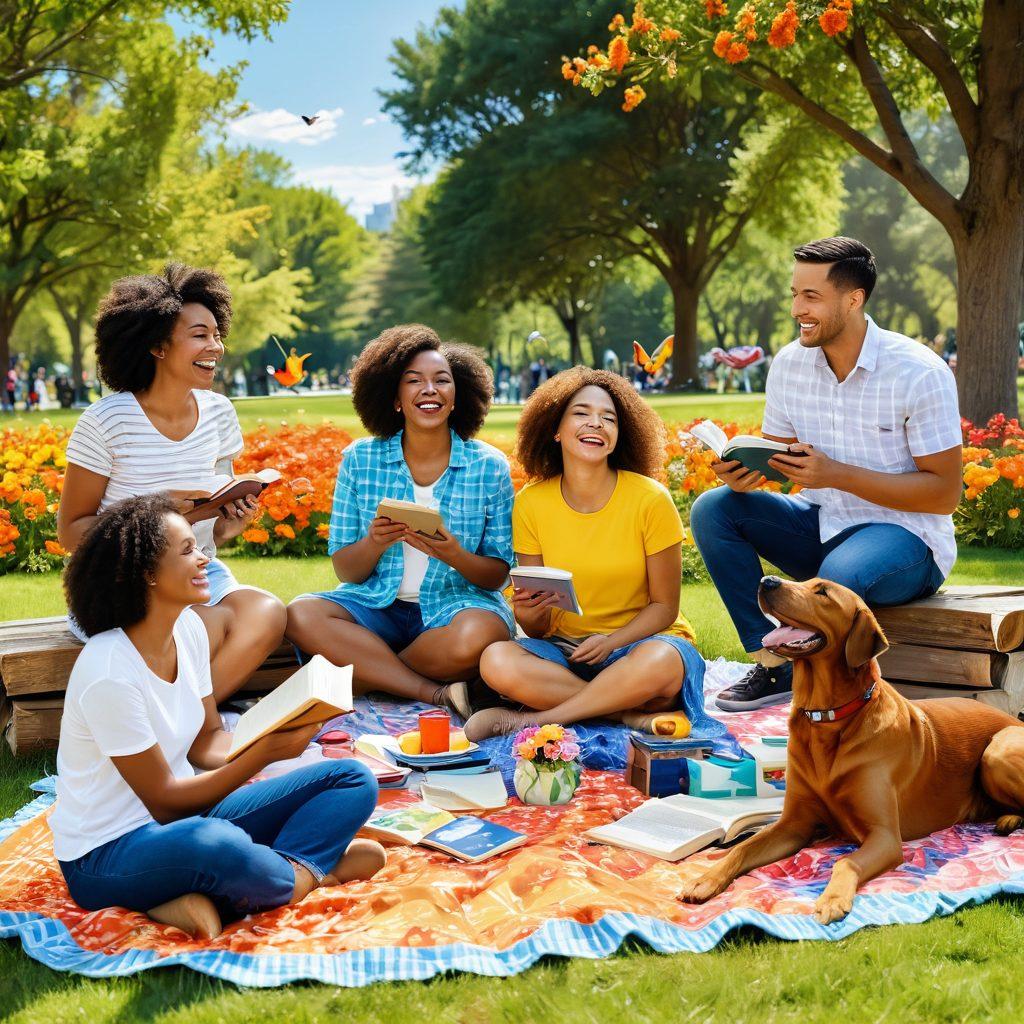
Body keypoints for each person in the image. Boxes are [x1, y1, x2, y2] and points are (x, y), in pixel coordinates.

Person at [53, 494, 384, 939]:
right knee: (217, 844)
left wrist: (276, 730)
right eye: (188, 550)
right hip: (107, 855)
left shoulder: (187, 628)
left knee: (351, 779)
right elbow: (166, 801)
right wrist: (263, 755)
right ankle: (308, 877)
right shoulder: (108, 670)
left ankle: (208, 893)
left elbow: (208, 739)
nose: (204, 558)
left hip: (187, 819)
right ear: (148, 574)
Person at [690, 237, 963, 712]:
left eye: (811, 296)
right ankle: (774, 661)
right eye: (795, 294)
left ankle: (808, 669)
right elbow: (776, 459)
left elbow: (944, 494)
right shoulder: (790, 365)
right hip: (821, 523)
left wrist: (835, 473)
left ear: (853, 298)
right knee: (714, 509)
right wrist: (742, 472)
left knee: (838, 575)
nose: (798, 308)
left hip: (907, 538)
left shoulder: (919, 372)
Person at [56, 264, 287, 701]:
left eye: (217, 334)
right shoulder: (107, 420)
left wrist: (229, 521)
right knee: (191, 625)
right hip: (123, 580)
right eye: (200, 335)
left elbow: (212, 529)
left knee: (268, 613)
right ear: (158, 346)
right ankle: (196, 722)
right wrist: (156, 513)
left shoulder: (219, 413)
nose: (215, 347)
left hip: (197, 574)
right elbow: (71, 532)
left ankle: (188, 718)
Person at [462, 367, 709, 741]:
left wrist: (612, 642)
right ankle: (626, 716)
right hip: (568, 655)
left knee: (662, 663)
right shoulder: (531, 501)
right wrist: (528, 610)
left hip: (641, 646)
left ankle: (530, 721)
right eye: (581, 413)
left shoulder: (650, 499)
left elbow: (664, 608)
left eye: (608, 418)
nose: (596, 424)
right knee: (497, 659)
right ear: (556, 429)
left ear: (618, 435)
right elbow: (539, 628)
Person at [286, 324, 515, 715]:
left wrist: (455, 554)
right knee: (300, 614)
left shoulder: (488, 466)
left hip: (455, 611)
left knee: (484, 632)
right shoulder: (360, 459)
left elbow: (498, 576)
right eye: (414, 381)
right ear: (394, 398)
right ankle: (433, 692)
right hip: (377, 607)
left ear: (458, 396)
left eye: (442, 380)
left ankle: (371, 670)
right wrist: (375, 541)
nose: (430, 390)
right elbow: (346, 571)